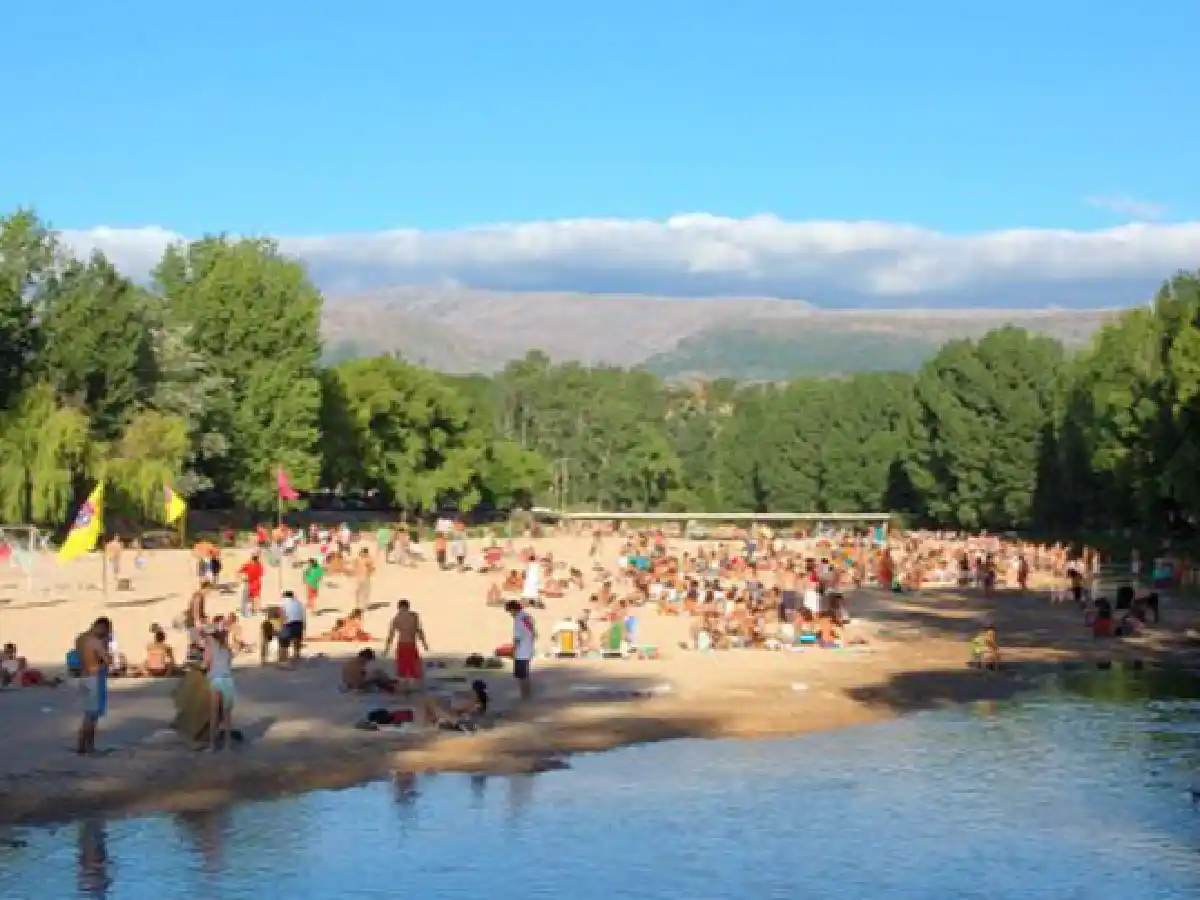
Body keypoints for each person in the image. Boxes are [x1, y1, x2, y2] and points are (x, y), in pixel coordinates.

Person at [75, 617, 112, 755]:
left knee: (87, 714)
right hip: (95, 677)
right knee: (93, 715)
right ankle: (89, 746)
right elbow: (107, 659)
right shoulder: (97, 643)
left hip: (84, 676)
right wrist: (106, 646)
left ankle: (81, 746)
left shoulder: (82, 640)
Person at [383, 599, 429, 690]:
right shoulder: (414, 616)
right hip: (411, 644)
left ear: (399, 607)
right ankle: (415, 686)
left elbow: (391, 635)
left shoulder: (396, 618)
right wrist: (424, 643)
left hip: (401, 644)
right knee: (414, 667)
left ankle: (404, 687)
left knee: (402, 669)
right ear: (408, 606)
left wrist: (387, 648)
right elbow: (419, 630)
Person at [204, 626, 236, 750]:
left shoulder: (210, 648)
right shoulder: (228, 649)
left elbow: (207, 663)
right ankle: (227, 745)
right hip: (228, 681)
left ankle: (212, 745)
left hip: (216, 680)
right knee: (227, 716)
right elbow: (228, 664)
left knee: (214, 714)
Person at [505, 600, 537, 700]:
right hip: (528, 648)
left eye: (510, 611)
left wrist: (513, 650)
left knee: (522, 675)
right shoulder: (527, 617)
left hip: (521, 650)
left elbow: (517, 638)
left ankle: (524, 695)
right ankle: (527, 694)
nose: (510, 614)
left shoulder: (518, 620)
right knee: (525, 674)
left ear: (513, 609)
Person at [279, 589, 306, 663]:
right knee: (297, 639)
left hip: (288, 623)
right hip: (298, 622)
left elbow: (282, 615)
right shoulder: (299, 603)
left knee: (284, 642)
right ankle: (296, 655)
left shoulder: (283, 603)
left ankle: (284, 658)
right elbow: (303, 615)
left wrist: (281, 625)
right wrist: (304, 626)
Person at [238, 552, 265, 616]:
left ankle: (249, 610)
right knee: (256, 597)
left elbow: (240, 570)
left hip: (250, 582)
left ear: (252, 558)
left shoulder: (248, 564)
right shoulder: (259, 565)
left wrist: (242, 578)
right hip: (257, 583)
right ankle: (255, 610)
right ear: (257, 558)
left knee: (249, 597)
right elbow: (262, 574)